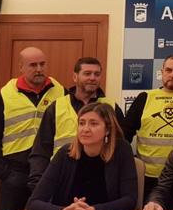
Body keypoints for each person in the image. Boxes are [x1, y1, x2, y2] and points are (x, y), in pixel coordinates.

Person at [0, 47, 65, 210]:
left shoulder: (61, 92)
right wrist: (3, 171)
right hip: (15, 172)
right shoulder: (5, 95)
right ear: (21, 67)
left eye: (42, 64)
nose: (39, 69)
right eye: (33, 65)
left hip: (48, 171)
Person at [26, 103, 137, 210]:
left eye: (93, 124)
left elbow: (130, 200)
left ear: (108, 129)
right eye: (82, 123)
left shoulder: (121, 150)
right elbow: (33, 203)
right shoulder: (65, 154)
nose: (85, 129)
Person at [28, 57, 124, 190]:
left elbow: (120, 148)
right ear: (75, 77)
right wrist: (37, 185)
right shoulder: (56, 107)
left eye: (97, 74)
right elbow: (41, 150)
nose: (92, 78)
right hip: (61, 179)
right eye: (87, 73)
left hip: (100, 179)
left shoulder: (111, 107)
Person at [123, 55, 173, 200]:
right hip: (149, 178)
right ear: (162, 72)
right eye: (168, 70)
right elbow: (123, 137)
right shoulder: (145, 98)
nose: (172, 75)